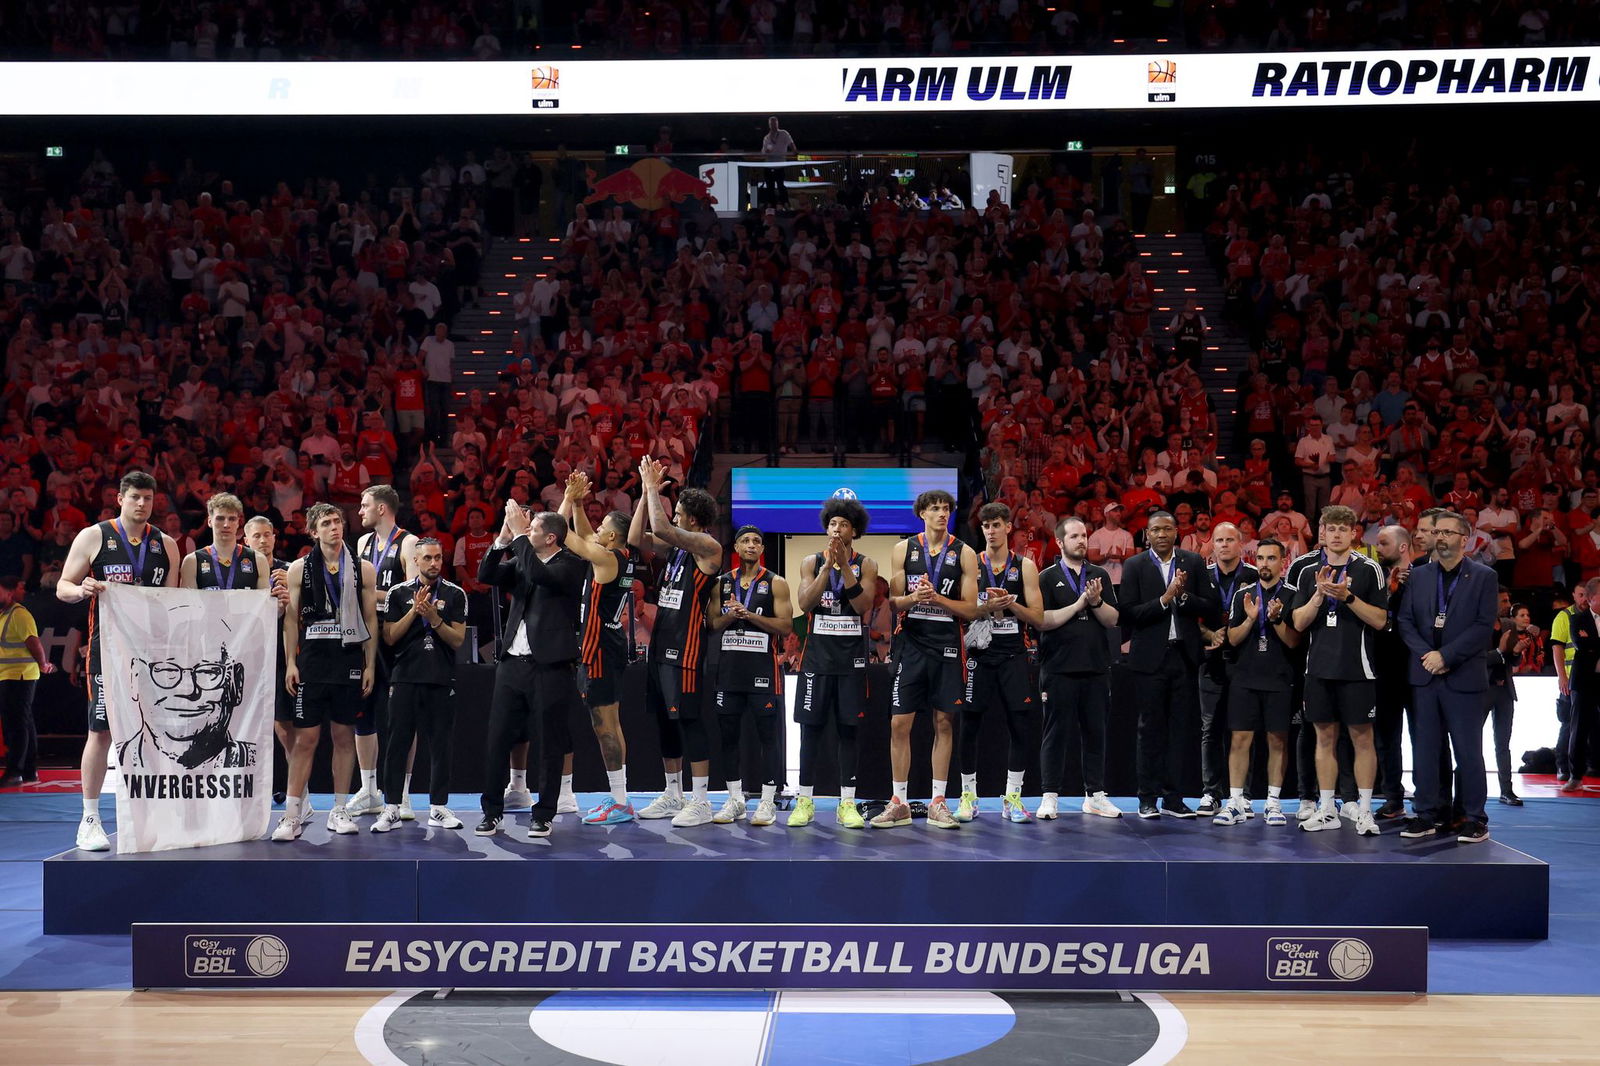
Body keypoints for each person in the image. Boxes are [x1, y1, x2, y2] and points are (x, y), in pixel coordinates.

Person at [56, 471, 180, 851]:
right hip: (107, 651)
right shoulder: (94, 536)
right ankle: (90, 818)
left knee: (157, 733)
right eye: (135, 497)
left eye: (148, 498)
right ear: (120, 499)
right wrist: (82, 589)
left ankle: (156, 813)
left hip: (154, 655)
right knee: (101, 731)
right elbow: (62, 587)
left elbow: (174, 601)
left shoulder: (167, 545)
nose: (142, 504)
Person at [877, 489, 985, 830]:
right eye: (935, 508)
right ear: (921, 513)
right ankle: (899, 801)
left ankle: (939, 801)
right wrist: (913, 597)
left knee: (943, 723)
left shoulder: (965, 553)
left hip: (947, 646)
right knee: (899, 724)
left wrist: (937, 598)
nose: (942, 513)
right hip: (910, 645)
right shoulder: (903, 549)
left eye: (946, 508)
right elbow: (892, 602)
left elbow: (971, 608)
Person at [475, 507, 586, 839]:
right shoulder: (522, 556)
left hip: (550, 666)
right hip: (512, 664)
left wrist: (520, 537)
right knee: (497, 739)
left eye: (533, 529)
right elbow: (486, 576)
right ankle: (492, 812)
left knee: (549, 742)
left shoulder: (571, 565)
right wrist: (502, 541)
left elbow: (542, 576)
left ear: (550, 537)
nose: (528, 533)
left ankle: (544, 813)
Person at [273, 502, 379, 842]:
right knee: (305, 739)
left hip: (348, 660)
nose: (335, 527)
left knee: (344, 737)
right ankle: (292, 816)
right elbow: (290, 619)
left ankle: (339, 808)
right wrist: (290, 661)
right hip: (313, 661)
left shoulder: (362, 569)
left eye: (338, 521)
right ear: (313, 531)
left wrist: (370, 663)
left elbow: (371, 619)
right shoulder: (298, 569)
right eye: (327, 523)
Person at [629, 458, 722, 826]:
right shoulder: (679, 550)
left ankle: (700, 800)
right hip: (660, 643)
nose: (675, 515)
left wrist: (654, 489)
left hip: (687, 649)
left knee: (689, 722)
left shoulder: (707, 547)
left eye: (680, 511)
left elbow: (662, 528)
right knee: (665, 724)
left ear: (694, 520)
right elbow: (637, 539)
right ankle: (673, 793)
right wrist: (642, 493)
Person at [1397, 510, 1498, 843]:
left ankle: (1474, 818)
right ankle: (1426, 814)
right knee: (1425, 750)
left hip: (1463, 676)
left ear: (1464, 539)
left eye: (1447, 533)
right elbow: (1405, 621)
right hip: (1425, 675)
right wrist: (1428, 656)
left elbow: (1483, 626)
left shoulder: (1484, 576)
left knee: (1468, 752)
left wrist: (1447, 656)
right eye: (1436, 532)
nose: (1439, 538)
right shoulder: (1420, 575)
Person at [1289, 505, 1388, 835]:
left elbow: (1380, 620)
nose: (1336, 534)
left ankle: (1363, 810)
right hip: (1318, 668)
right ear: (1322, 532)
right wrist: (1319, 596)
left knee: (1362, 739)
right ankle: (1328, 808)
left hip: (1358, 668)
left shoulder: (1369, 569)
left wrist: (1347, 597)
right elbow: (1299, 623)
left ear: (1353, 534)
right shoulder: (1306, 571)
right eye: (1330, 529)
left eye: (1343, 529)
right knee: (1324, 739)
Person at [1120, 510, 1218, 818]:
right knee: (1149, 730)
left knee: (1181, 730)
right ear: (1146, 535)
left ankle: (1174, 798)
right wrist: (1165, 598)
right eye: (1155, 530)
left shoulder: (1193, 562)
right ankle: (1146, 798)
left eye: (1167, 529)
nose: (1161, 534)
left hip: (1184, 657)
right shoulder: (1134, 565)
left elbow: (1212, 608)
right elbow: (1129, 613)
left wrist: (1183, 598)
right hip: (1149, 659)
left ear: (1176, 532)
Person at [556, 472, 639, 826]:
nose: (597, 528)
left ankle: (620, 802)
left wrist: (568, 498)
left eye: (602, 524)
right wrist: (576, 503)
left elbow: (569, 539)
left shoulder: (607, 559)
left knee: (604, 726)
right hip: (609, 645)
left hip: (599, 650)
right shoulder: (618, 555)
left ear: (613, 535)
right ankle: (619, 797)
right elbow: (587, 535)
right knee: (611, 724)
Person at [792, 495, 878, 828]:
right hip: (816, 659)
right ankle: (804, 800)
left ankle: (847, 803)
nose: (837, 529)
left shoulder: (866, 564)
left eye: (843, 524)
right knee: (810, 731)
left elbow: (862, 607)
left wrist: (843, 566)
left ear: (854, 530)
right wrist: (828, 567)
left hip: (851, 661)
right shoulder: (812, 562)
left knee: (848, 731)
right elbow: (804, 603)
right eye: (832, 523)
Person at [957, 502, 1044, 824]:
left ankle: (1013, 797)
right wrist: (985, 607)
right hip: (978, 654)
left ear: (1009, 527)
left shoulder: (1025, 566)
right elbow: (960, 610)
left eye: (996, 525)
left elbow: (1037, 616)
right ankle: (968, 796)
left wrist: (1012, 605)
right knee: (969, 726)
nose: (991, 531)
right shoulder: (970, 565)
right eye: (986, 526)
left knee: (1019, 725)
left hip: (1012, 653)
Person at [374, 537, 468, 832]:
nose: (434, 563)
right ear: (416, 560)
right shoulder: (397, 593)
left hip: (440, 679)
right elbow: (389, 637)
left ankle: (438, 808)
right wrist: (415, 612)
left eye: (438, 557)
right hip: (404, 678)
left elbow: (458, 640)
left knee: (441, 746)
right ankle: (391, 808)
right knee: (396, 745)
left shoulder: (455, 594)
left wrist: (434, 618)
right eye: (427, 558)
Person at [1034, 515, 1120, 819]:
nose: (1082, 541)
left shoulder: (1100, 575)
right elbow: (1041, 620)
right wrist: (1079, 603)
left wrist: (1096, 602)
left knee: (1095, 733)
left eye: (1084, 535)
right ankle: (1050, 795)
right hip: (1058, 667)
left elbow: (1112, 620)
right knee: (1055, 734)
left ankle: (1095, 794)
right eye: (1074, 536)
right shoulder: (1045, 577)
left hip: (1096, 666)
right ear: (1060, 542)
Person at [709, 525, 793, 826]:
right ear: (736, 547)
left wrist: (750, 615)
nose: (752, 545)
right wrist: (731, 615)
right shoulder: (721, 583)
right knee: (728, 737)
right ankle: (735, 800)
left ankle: (768, 801)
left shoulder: (776, 583)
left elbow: (785, 626)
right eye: (745, 541)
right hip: (730, 671)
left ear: (762, 549)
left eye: (757, 541)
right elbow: (712, 624)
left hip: (763, 673)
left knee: (768, 738)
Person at [1215, 538, 1301, 826]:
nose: (1265, 564)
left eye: (1271, 558)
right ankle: (1235, 801)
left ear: (1283, 561)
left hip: (1279, 676)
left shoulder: (1292, 594)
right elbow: (1233, 638)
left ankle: (1273, 803)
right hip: (1245, 675)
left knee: (1277, 740)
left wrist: (1276, 620)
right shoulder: (1244, 595)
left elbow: (1293, 641)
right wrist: (1252, 619)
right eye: (1261, 558)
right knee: (1240, 739)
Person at [350, 485, 419, 819]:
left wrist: (368, 594)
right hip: (366, 635)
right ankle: (368, 788)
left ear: (381, 509)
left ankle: (402, 794)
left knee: (402, 716)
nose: (359, 511)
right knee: (362, 711)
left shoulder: (408, 543)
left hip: (397, 636)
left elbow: (414, 595)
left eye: (364, 505)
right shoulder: (362, 544)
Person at [1197, 522, 1257, 817]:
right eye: (1218, 540)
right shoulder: (1202, 576)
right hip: (1210, 661)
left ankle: (1242, 794)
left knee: (1243, 729)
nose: (1223, 545)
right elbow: (1189, 618)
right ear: (1212, 545)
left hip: (1245, 661)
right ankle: (1211, 792)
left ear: (1240, 543)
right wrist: (1209, 635)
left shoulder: (1254, 576)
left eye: (1229, 539)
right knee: (1210, 729)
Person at [244, 515, 302, 816]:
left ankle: (298, 794)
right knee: (244, 728)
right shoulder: (239, 571)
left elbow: (300, 615)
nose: (264, 540)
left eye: (268, 535)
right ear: (246, 540)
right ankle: (247, 790)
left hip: (280, 656)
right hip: (245, 656)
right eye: (257, 536)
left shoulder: (289, 570)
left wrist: (288, 596)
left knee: (283, 727)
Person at [0, 575, 55, 786]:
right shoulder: (4, 615)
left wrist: (42, 664)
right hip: (9, 675)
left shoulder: (19, 615)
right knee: (23, 721)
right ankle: (29, 770)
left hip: (20, 675)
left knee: (16, 724)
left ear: (9, 592)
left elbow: (34, 643)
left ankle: (15, 771)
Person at [1560, 576, 1600, 796]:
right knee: (1579, 728)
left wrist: (1593, 644)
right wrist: (1592, 645)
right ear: (1592, 598)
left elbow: (1590, 645)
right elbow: (1582, 646)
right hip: (1584, 681)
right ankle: (1575, 776)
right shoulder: (1578, 620)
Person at [1549, 582, 1588, 784]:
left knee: (1586, 725)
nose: (1584, 599)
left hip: (1589, 678)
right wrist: (1562, 677)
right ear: (1573, 595)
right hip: (1571, 678)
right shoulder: (1564, 616)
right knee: (1568, 724)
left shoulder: (1592, 616)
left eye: (1586, 595)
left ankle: (1586, 765)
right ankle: (1562, 766)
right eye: (1580, 595)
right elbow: (1558, 648)